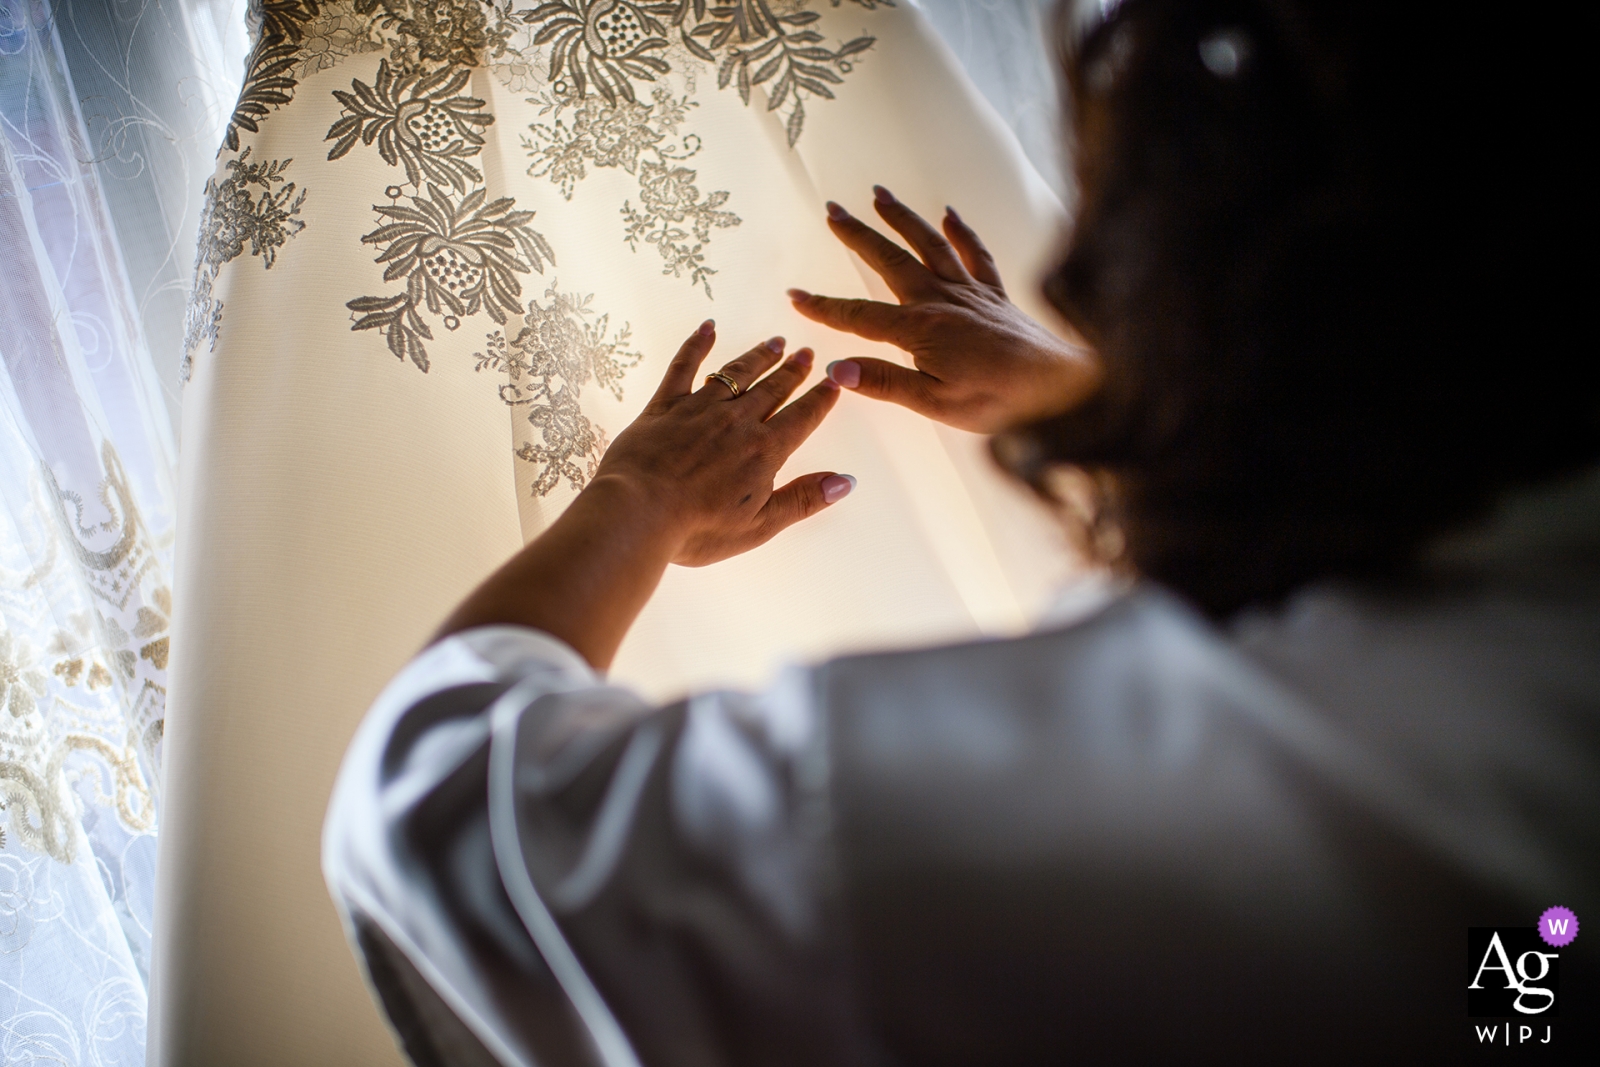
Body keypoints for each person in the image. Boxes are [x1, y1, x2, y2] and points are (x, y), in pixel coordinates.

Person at [323, 1, 1598, 1064]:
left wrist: (637, 499)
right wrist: (1111, 403)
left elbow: (431, 801)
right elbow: (1521, 980)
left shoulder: (978, 808)